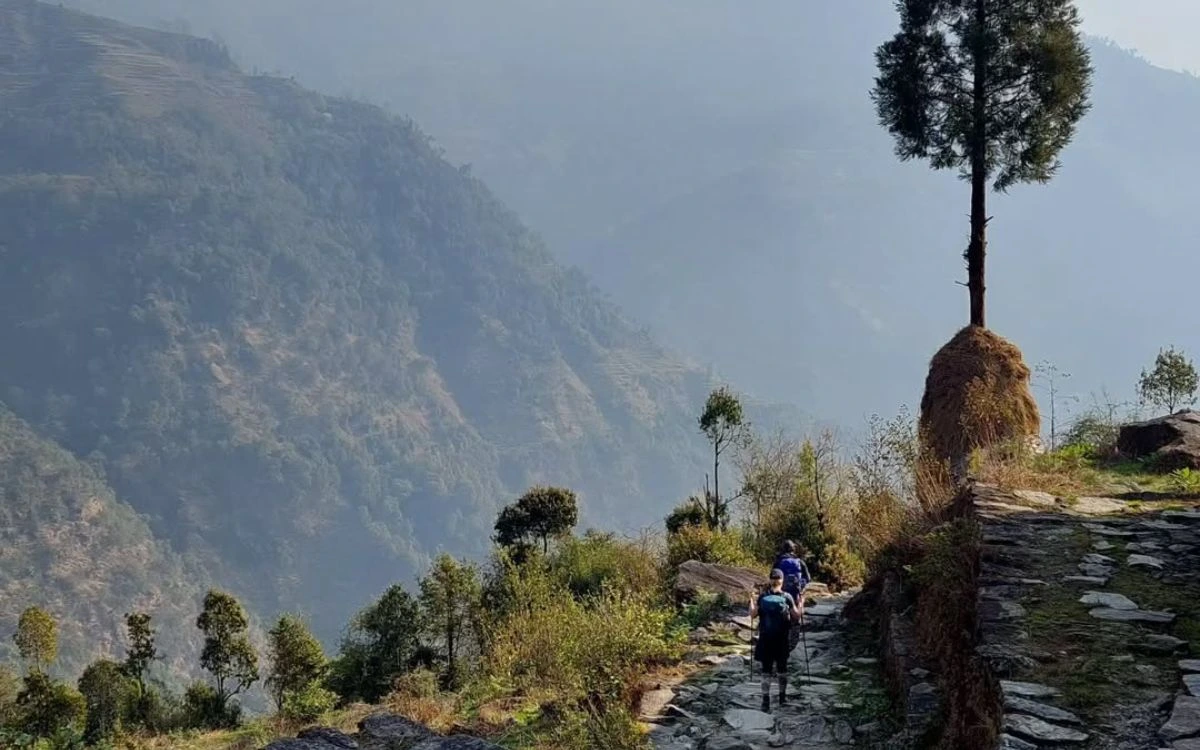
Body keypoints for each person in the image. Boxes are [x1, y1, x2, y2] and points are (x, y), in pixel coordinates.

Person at [748, 568, 801, 712]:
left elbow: (753, 615)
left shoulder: (763, 596)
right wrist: (801, 603)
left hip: (765, 638)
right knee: (782, 669)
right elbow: (796, 616)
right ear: (781, 580)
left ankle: (765, 700)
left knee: (766, 671)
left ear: (770, 580)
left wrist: (751, 600)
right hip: (781, 638)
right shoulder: (787, 597)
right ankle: (782, 697)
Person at [774, 540, 811, 654]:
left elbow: (773, 577)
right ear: (793, 549)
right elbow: (808, 578)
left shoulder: (779, 561)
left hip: (782, 596)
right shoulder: (799, 561)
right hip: (795, 595)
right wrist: (801, 587)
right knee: (795, 621)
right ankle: (791, 647)